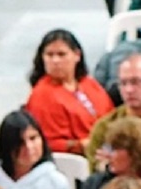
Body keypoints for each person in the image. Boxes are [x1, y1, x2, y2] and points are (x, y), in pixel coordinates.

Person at [24, 29, 113, 157]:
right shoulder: (42, 94)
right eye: (49, 55)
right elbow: (50, 143)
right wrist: (83, 145)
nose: (55, 60)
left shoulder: (89, 84)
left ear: (77, 55)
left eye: (61, 54)